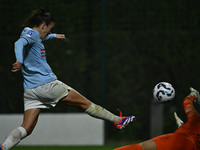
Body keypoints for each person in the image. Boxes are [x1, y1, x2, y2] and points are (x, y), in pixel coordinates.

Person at [0, 8, 135, 150]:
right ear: (43, 25)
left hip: (30, 91)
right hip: (47, 85)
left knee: (26, 128)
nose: (49, 32)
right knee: (85, 103)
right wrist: (19, 61)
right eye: (50, 29)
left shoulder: (32, 34)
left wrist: (54, 36)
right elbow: (18, 44)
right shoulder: (32, 34)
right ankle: (118, 120)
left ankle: (4, 147)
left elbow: (39, 37)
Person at [114, 87, 200, 150]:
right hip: (188, 144)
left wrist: (193, 94)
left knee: (143, 147)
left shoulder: (195, 117)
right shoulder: (195, 119)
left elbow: (187, 101)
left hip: (179, 140)